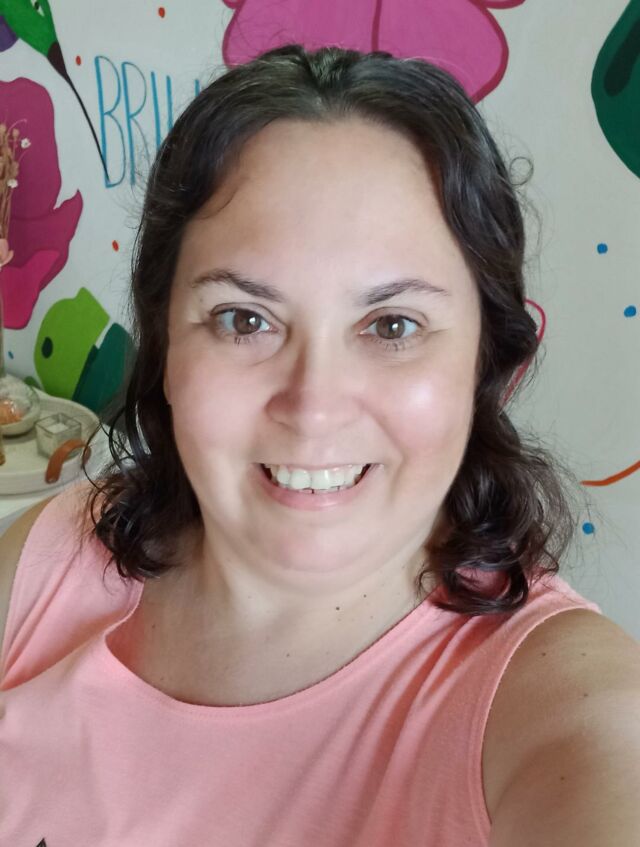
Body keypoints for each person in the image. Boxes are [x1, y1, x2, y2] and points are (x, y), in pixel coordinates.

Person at [1, 44, 639, 846]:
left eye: (392, 325)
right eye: (244, 319)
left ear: (487, 365)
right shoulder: (56, 556)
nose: (312, 408)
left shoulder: (557, 702)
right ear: (165, 346)